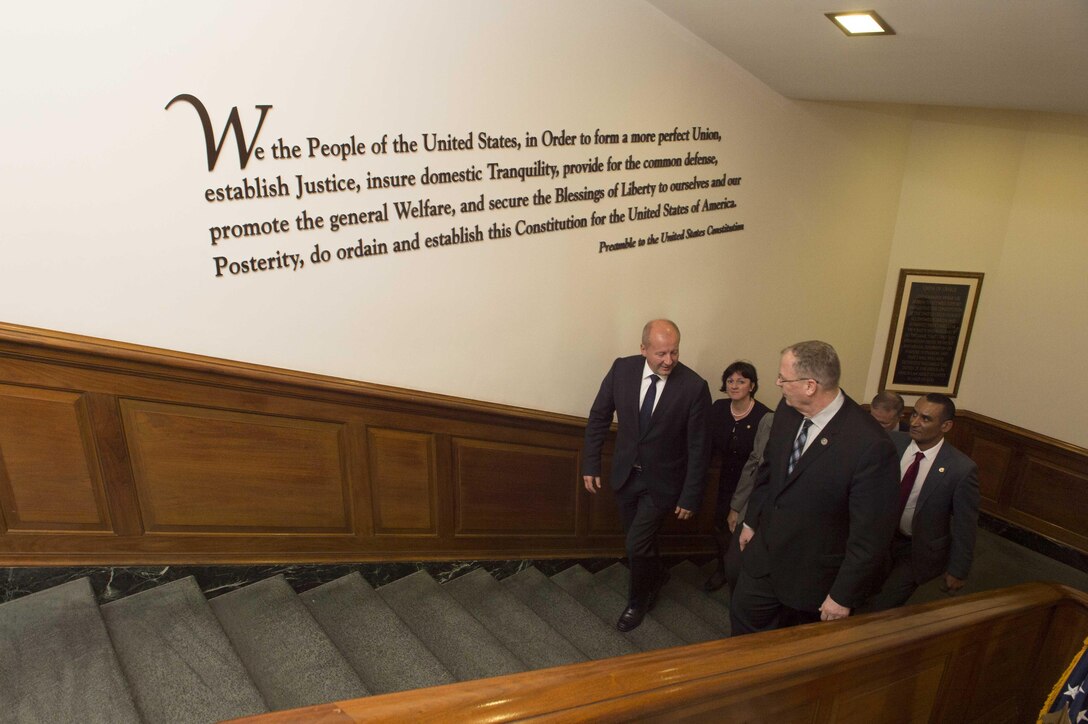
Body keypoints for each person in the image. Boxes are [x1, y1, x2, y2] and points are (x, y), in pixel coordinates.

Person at [731, 340, 899, 635]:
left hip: (813, 579)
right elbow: (767, 472)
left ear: (810, 385)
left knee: (794, 658)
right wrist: (750, 522)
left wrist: (843, 595)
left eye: (784, 378)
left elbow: (871, 534)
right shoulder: (787, 410)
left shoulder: (869, 445)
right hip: (764, 559)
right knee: (742, 638)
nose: (777, 383)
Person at [582, 319, 712, 632]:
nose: (669, 360)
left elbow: (699, 447)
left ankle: (638, 601)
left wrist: (691, 494)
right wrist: (590, 464)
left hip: (663, 483)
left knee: (636, 545)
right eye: (661, 353)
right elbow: (599, 417)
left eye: (675, 353)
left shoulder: (694, 387)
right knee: (639, 540)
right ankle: (657, 575)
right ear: (643, 349)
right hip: (626, 475)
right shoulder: (622, 370)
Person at [860, 393, 980, 611]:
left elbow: (966, 525)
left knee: (883, 607)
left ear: (946, 426)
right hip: (879, 539)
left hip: (916, 550)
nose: (915, 422)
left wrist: (958, 569)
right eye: (914, 414)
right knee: (861, 594)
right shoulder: (892, 443)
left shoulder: (960, 469)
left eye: (926, 419)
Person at [704, 361, 770, 591]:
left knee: (741, 529)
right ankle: (722, 570)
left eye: (741, 381)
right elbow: (707, 445)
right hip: (721, 479)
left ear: (751, 385)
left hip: (750, 482)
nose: (734, 385)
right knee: (720, 527)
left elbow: (760, 462)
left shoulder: (764, 416)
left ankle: (741, 576)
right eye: (730, 381)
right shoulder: (719, 408)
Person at [722, 410, 773, 594]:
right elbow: (753, 464)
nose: (779, 385)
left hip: (783, 516)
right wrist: (736, 507)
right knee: (734, 566)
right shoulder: (769, 420)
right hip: (753, 506)